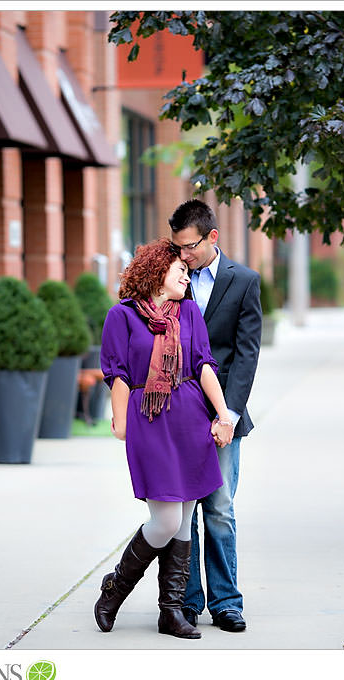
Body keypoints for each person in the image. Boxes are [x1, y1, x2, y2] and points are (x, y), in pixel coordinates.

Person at [94, 238, 235, 639]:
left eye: (188, 273)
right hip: (148, 419)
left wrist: (222, 414)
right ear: (158, 273)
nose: (187, 278)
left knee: (186, 520)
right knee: (166, 519)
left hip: (190, 417)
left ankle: (171, 612)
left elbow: (204, 364)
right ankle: (113, 590)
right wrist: (120, 420)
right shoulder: (121, 317)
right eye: (181, 272)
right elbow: (117, 374)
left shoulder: (189, 312)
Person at [168, 199, 261, 633]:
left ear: (212, 238)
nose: (182, 256)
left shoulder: (244, 282)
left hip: (223, 415)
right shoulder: (170, 279)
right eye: (177, 247)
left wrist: (230, 414)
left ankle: (226, 602)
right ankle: (185, 602)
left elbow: (246, 357)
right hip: (177, 413)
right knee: (182, 511)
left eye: (189, 247)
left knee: (219, 508)